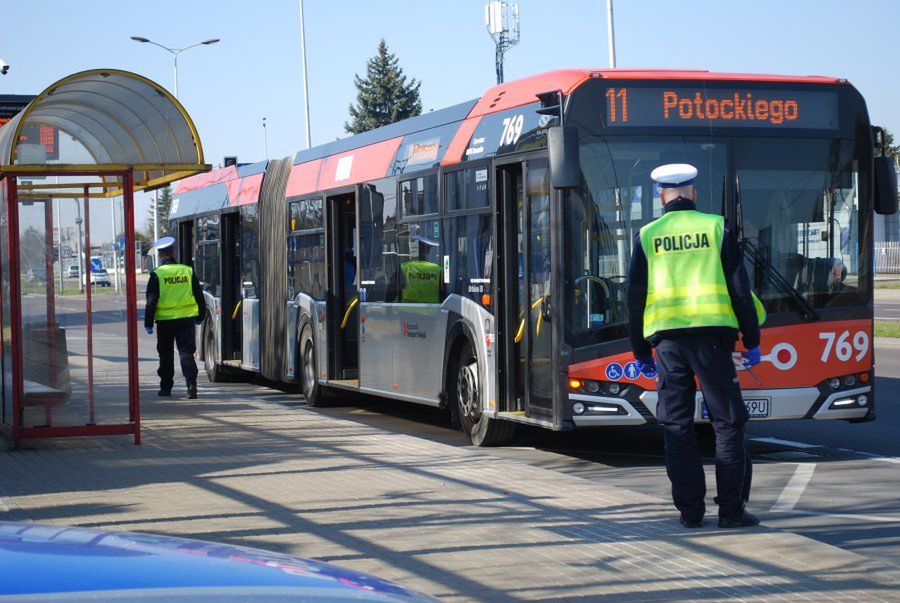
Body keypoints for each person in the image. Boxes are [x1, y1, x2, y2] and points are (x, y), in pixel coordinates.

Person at [626, 163, 762, 529]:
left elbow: (634, 300)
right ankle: (731, 510)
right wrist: (752, 341)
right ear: (694, 194)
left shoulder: (647, 235)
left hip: (667, 344)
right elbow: (740, 293)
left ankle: (690, 511)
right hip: (713, 344)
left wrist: (640, 351)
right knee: (728, 423)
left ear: (661, 196)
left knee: (676, 425)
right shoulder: (717, 228)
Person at [145, 236, 206, 399]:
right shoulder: (187, 271)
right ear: (173, 251)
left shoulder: (156, 274)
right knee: (186, 352)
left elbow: (151, 301)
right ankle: (191, 385)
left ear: (159, 255)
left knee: (165, 354)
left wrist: (148, 323)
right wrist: (201, 315)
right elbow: (199, 295)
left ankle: (166, 388)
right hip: (186, 319)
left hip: (165, 321)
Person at [398, 235, 441, 303]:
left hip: (406, 309)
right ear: (427, 252)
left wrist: (388, 309)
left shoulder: (403, 267)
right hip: (432, 311)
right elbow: (444, 292)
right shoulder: (437, 269)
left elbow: (391, 290)